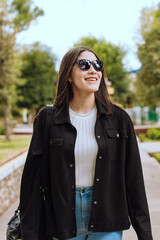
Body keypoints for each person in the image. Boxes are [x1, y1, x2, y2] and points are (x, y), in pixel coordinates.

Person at [19, 46, 153, 240]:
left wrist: (145, 233)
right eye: (84, 65)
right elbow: (32, 182)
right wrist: (29, 233)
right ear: (69, 75)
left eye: (97, 65)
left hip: (108, 217)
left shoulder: (119, 119)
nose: (93, 70)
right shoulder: (47, 119)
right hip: (62, 219)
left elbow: (133, 180)